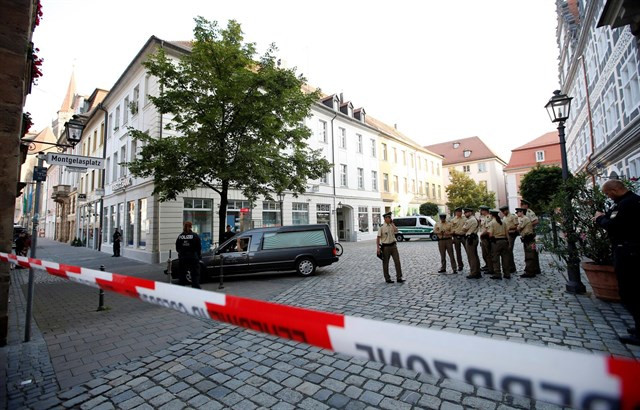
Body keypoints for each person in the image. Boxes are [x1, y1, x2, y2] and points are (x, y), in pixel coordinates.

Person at [594, 179, 640, 346]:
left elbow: (614, 225)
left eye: (607, 193)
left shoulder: (627, 204)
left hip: (628, 251)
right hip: (629, 249)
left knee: (630, 291)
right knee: (631, 291)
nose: (608, 196)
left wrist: (599, 219)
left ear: (614, 190)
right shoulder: (629, 201)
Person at [376, 212, 405, 284]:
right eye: (389, 218)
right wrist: (378, 248)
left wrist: (392, 224)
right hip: (386, 247)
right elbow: (378, 238)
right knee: (385, 263)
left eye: (390, 217)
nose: (390, 219)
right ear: (385, 218)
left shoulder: (392, 225)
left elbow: (396, 231)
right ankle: (387, 278)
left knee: (397, 261)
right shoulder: (382, 227)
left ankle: (399, 277)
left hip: (393, 246)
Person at [176, 221, 202, 289]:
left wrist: (181, 253)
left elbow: (177, 247)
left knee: (182, 274)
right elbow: (199, 247)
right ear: (191, 227)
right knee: (195, 274)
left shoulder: (180, 236)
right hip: (193, 257)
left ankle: (182, 288)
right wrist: (199, 256)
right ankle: (195, 287)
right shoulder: (195, 235)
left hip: (183, 258)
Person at [487, 209, 510, 279]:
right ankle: (507, 273)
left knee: (495, 258)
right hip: (504, 241)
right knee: (505, 258)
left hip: (496, 242)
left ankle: (497, 273)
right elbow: (507, 233)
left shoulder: (492, 223)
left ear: (491, 215)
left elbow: (490, 234)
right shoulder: (503, 222)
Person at [516, 207, 538, 278]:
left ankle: (530, 272)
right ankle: (532, 270)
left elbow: (519, 228)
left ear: (521, 212)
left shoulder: (524, 219)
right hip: (528, 239)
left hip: (528, 239)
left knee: (529, 255)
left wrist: (517, 227)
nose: (517, 213)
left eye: (518, 212)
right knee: (531, 254)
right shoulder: (524, 218)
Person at [520, 199, 541, 275]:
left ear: (526, 205)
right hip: (527, 235)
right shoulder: (525, 213)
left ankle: (531, 270)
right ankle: (535, 268)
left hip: (530, 235)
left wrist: (528, 226)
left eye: (522, 204)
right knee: (533, 252)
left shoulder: (529, 212)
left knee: (530, 252)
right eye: (521, 204)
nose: (521, 205)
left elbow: (536, 221)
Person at [462, 207, 481, 279]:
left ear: (470, 212)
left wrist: (464, 226)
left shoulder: (471, 220)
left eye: (466, 212)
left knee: (471, 256)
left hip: (471, 238)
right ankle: (477, 271)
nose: (465, 214)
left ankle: (473, 272)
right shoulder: (474, 219)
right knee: (475, 255)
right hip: (474, 238)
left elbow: (463, 229)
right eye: (465, 212)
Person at [500, 205, 518, 274]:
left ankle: (512, 267)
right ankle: (510, 266)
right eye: (502, 211)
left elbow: (517, 226)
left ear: (507, 210)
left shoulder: (513, 216)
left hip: (512, 234)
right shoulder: (504, 218)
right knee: (507, 251)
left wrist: (510, 229)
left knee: (509, 250)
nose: (503, 213)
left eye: (504, 211)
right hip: (506, 234)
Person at [478, 205, 494, 276]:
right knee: (484, 253)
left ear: (485, 211)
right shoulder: (483, 217)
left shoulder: (488, 217)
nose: (481, 211)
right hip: (483, 237)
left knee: (488, 253)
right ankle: (487, 265)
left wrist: (482, 235)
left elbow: (488, 228)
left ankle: (491, 267)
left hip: (486, 237)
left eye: (482, 210)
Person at [451, 207, 466, 272]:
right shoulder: (453, 220)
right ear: (456, 212)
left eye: (460, 212)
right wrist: (452, 237)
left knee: (469, 251)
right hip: (456, 237)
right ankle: (460, 265)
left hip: (464, 236)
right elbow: (451, 229)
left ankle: (472, 265)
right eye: (457, 212)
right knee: (458, 252)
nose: (459, 213)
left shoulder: (465, 219)